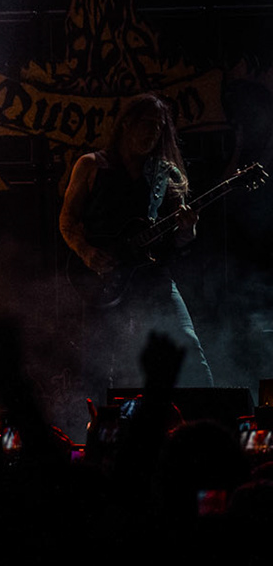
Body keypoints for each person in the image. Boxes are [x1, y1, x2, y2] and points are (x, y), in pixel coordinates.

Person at [58, 93, 213, 393]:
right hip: (105, 280)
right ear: (127, 124)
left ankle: (211, 423)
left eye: (159, 127)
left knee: (189, 349)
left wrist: (188, 227)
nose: (153, 133)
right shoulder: (90, 165)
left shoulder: (164, 175)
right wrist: (87, 252)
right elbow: (67, 221)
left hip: (154, 278)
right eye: (147, 124)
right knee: (102, 367)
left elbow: (180, 241)